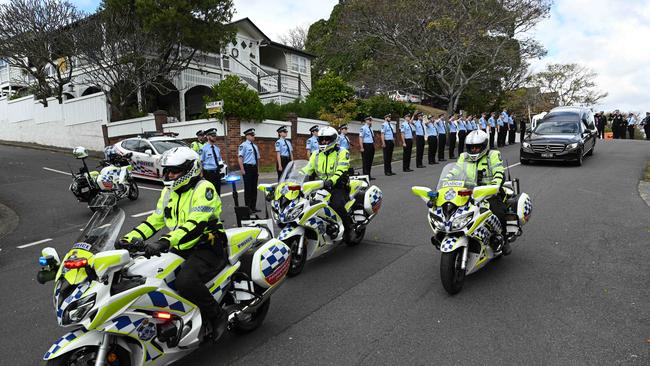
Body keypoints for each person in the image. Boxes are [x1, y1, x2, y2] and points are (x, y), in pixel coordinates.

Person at [120, 146, 228, 340]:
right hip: (181, 245)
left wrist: (164, 242)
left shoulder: (204, 189)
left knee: (185, 282)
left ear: (190, 169)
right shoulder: (169, 191)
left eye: (174, 170)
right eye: (167, 170)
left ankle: (217, 315)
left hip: (207, 245)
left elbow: (195, 224)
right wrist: (128, 239)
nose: (169, 175)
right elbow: (155, 220)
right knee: (148, 275)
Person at [452, 130, 511, 255]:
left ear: (484, 146)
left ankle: (504, 239)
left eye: (477, 147)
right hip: (468, 192)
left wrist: (494, 186)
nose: (474, 150)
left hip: (489, 192)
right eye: (471, 147)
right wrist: (446, 182)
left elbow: (499, 172)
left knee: (498, 212)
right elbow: (454, 171)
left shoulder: (493, 155)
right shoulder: (463, 156)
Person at [301, 126, 352, 240]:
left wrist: (331, 180)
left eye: (326, 139)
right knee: (308, 205)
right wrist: (294, 179)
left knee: (336, 205)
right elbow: (307, 169)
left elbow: (341, 169)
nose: (323, 141)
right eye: (321, 139)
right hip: (321, 186)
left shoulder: (342, 152)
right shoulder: (316, 154)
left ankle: (349, 229)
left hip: (338, 186)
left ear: (333, 139)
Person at [238, 128, 260, 212]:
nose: (253, 137)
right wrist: (242, 169)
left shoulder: (255, 146)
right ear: (247, 136)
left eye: (253, 135)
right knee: (248, 189)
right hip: (247, 168)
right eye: (251, 135)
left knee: (254, 188)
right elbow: (240, 158)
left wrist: (258, 169)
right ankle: (248, 208)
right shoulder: (243, 145)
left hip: (254, 168)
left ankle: (253, 207)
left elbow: (258, 159)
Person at [200, 128, 222, 196]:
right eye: (213, 136)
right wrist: (201, 175)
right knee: (209, 194)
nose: (215, 137)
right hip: (208, 174)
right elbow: (200, 162)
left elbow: (219, 161)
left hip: (217, 173)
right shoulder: (203, 149)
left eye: (215, 135)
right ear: (208, 136)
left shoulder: (217, 149)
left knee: (217, 194)